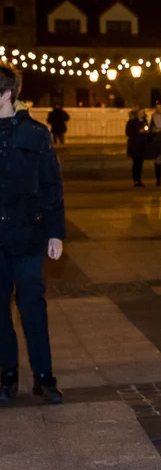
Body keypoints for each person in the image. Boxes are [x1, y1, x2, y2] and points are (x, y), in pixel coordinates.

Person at [0, 61, 65, 405]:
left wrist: (55, 234)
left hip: (28, 236)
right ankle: (7, 376)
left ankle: (44, 378)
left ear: (7, 94)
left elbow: (52, 186)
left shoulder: (36, 134)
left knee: (32, 308)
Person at [126, 107, 150, 188]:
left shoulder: (144, 121)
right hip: (134, 145)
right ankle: (135, 180)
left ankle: (139, 179)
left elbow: (147, 132)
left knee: (140, 163)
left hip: (142, 145)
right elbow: (128, 132)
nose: (142, 114)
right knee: (136, 163)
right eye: (140, 112)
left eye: (143, 112)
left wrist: (146, 132)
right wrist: (138, 131)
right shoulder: (132, 122)